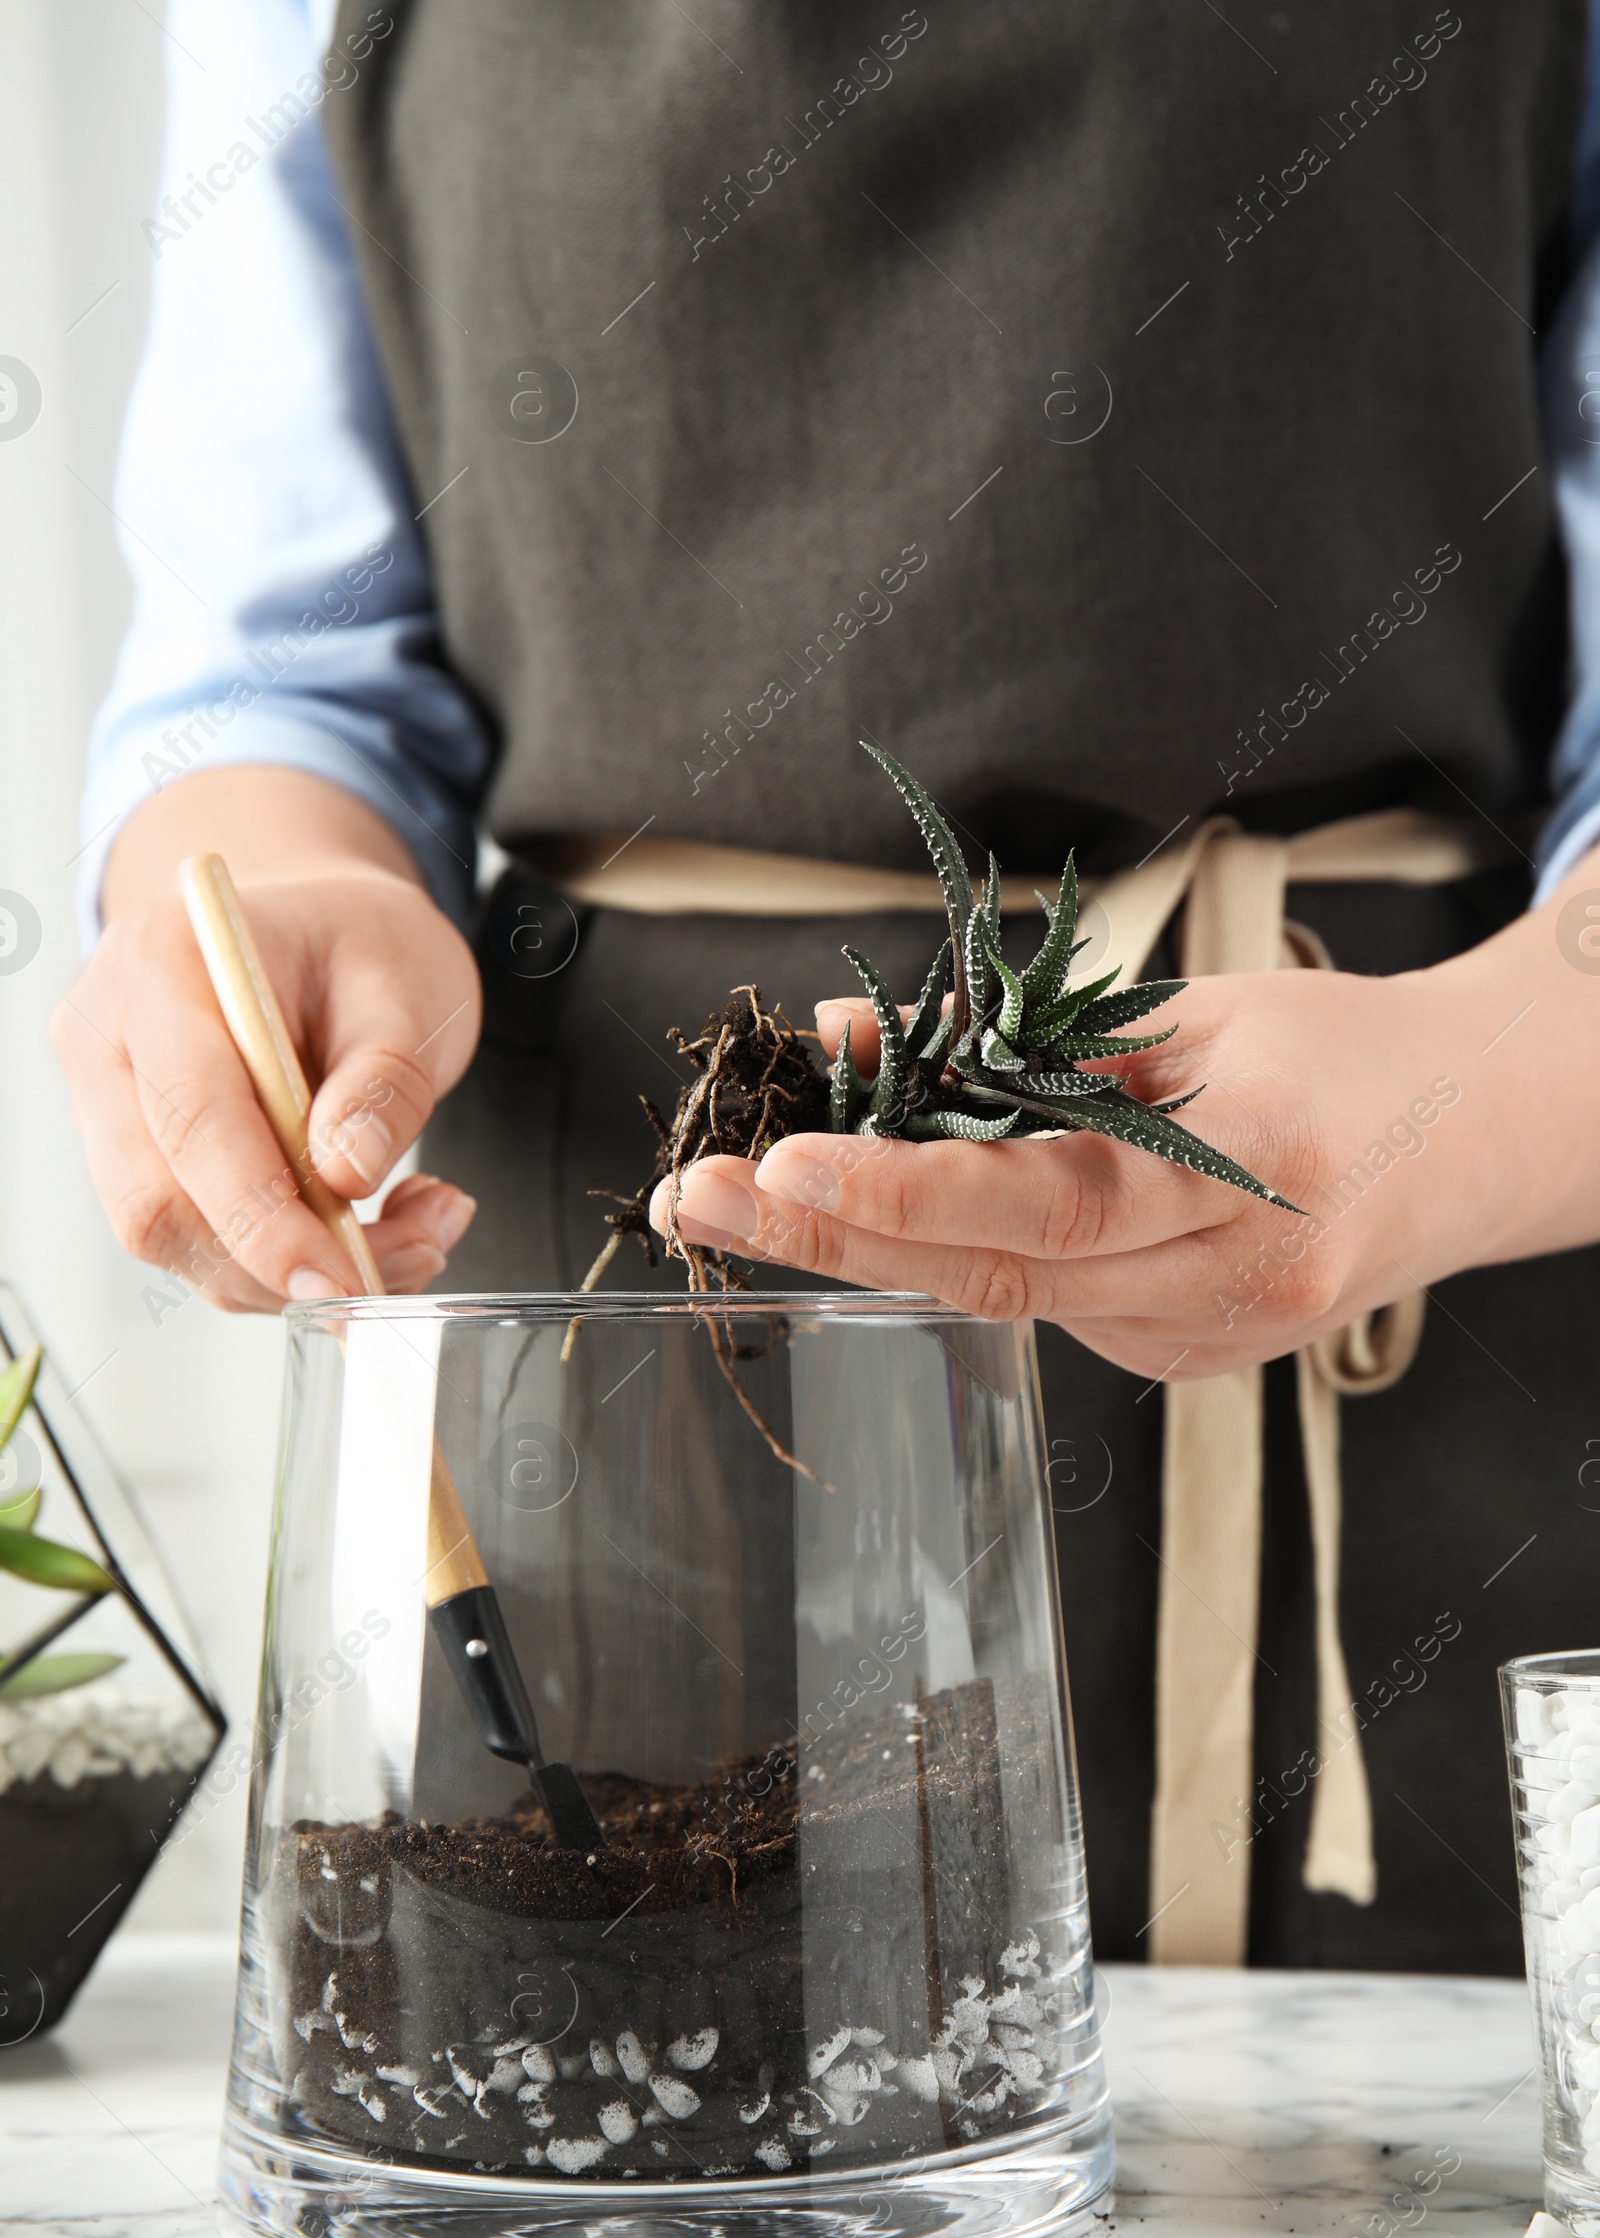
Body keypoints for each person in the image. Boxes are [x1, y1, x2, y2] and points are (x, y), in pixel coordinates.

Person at [53, 0, 1600, 1975]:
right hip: (625, 1386)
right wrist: (272, 883)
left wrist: (1455, 1108)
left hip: (1451, 1322)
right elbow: (282, 666)